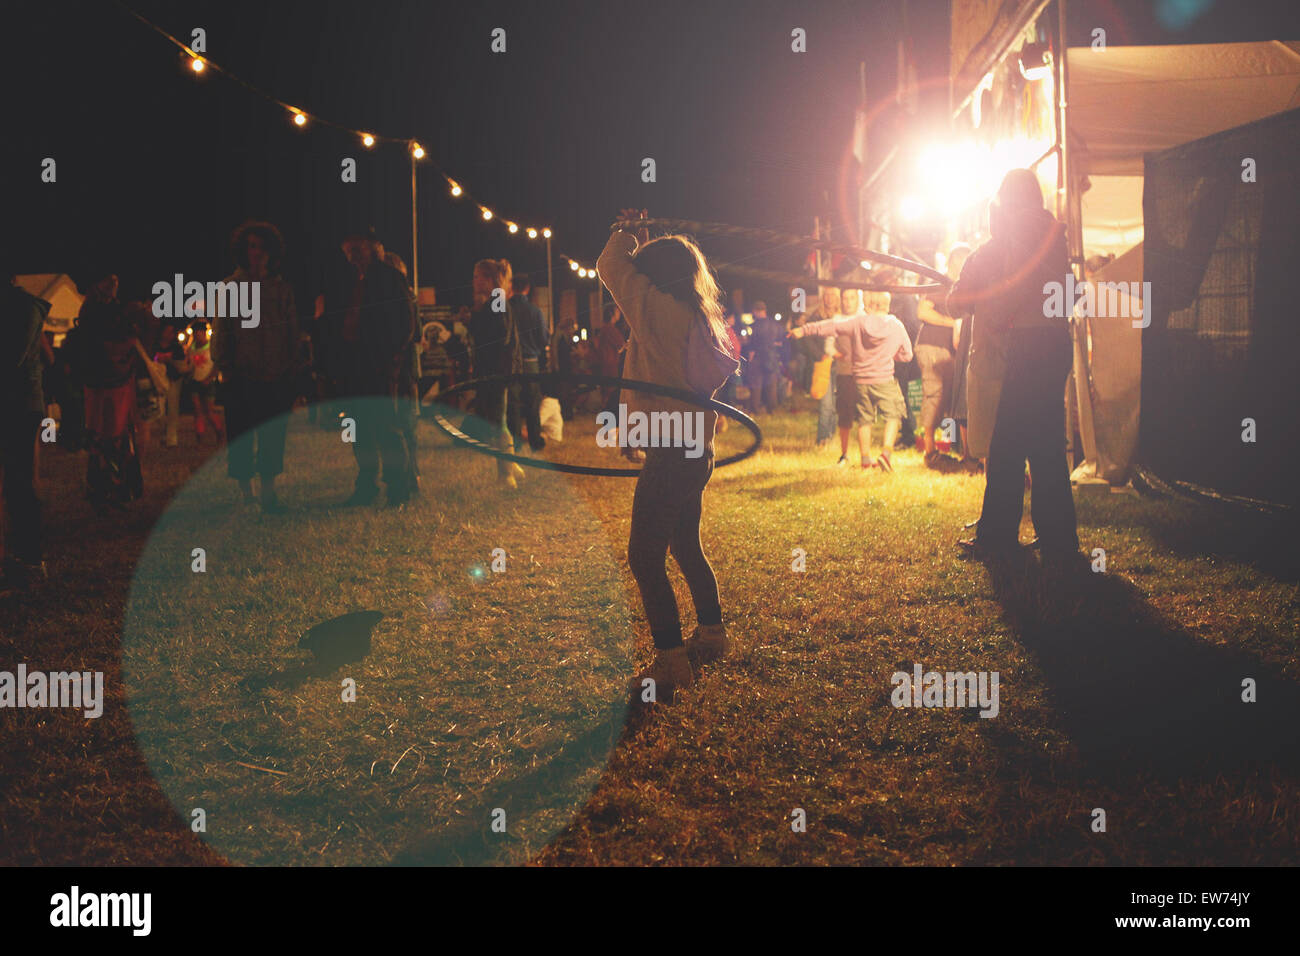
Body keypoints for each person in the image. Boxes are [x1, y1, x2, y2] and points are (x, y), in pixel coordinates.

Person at [596, 208, 738, 702]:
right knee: (684, 546)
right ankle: (713, 634)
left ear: (653, 279)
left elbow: (611, 267)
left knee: (644, 556)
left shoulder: (654, 310)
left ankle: (672, 661)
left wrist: (627, 232)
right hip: (696, 448)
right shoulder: (699, 316)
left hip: (670, 448)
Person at [947, 169, 1079, 560]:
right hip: (1055, 343)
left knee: (1007, 446)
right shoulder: (1053, 229)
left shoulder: (1023, 227)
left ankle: (997, 540)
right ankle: (1059, 542)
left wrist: (992, 310)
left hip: (1030, 345)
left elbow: (1019, 279)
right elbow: (1066, 294)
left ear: (1009, 200)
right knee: (1046, 445)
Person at [317, 226, 415, 507]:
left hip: (380, 366)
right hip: (354, 366)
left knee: (386, 427)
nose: (352, 257)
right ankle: (367, 483)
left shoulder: (389, 279)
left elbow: (404, 325)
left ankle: (397, 486)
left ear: (373, 247)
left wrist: (391, 359)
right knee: (359, 428)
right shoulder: (349, 280)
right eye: (348, 252)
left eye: (356, 250)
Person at [213, 220, 300, 512]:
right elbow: (221, 330)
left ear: (271, 251)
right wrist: (224, 365)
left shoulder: (281, 288)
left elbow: (291, 330)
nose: (257, 252)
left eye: (262, 247)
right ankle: (246, 491)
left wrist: (292, 365)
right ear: (243, 250)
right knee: (241, 434)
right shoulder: (229, 287)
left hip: (276, 374)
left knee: (272, 435)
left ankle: (268, 491)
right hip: (241, 375)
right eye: (252, 246)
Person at [793, 290, 912, 471]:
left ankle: (865, 459)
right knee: (894, 414)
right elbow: (907, 355)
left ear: (867, 304)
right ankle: (886, 454)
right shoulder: (896, 325)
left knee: (865, 419)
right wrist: (891, 354)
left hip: (861, 380)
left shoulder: (858, 322)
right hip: (884, 379)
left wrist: (804, 329)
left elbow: (832, 326)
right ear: (887, 305)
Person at [67, 270, 144, 511]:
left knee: (115, 434)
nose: (113, 285)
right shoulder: (93, 310)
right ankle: (106, 487)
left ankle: (116, 486)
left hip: (115, 381)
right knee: (103, 434)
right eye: (108, 281)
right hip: (102, 382)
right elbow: (92, 344)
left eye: (116, 281)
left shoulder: (114, 310)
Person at [0, 270, 51, 591]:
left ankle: (28, 555)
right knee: (19, 481)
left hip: (17, 403)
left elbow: (12, 356)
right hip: (19, 400)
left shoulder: (23, 307)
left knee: (19, 481)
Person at [466, 259, 526, 489]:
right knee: (495, 420)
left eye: (479, 276)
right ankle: (511, 466)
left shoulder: (498, 300)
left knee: (498, 420)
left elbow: (502, 335)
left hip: (496, 371)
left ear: (490, 279)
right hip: (490, 369)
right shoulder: (491, 302)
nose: (475, 281)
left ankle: (506, 474)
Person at [915, 245, 971, 466]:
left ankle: (946, 446)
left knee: (948, 400)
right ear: (958, 262)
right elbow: (923, 311)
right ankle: (929, 450)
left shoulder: (957, 287)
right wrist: (953, 323)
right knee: (935, 396)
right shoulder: (941, 284)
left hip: (949, 349)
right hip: (932, 346)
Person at [510, 272, 548, 451]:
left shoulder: (505, 309)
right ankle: (534, 439)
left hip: (510, 363)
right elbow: (543, 338)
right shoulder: (535, 311)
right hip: (531, 360)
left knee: (514, 403)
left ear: (512, 287)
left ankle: (515, 440)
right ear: (528, 288)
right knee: (533, 401)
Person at [803, 285, 842, 446]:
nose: (829, 298)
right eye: (827, 295)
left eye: (832, 294)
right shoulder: (816, 316)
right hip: (823, 364)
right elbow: (807, 338)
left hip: (840, 364)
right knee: (826, 403)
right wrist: (820, 355)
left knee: (835, 403)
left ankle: (831, 436)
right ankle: (822, 439)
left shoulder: (844, 317)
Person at [183, 320, 224, 445]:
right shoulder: (191, 348)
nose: (197, 335)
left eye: (199, 332)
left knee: (209, 410)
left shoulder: (211, 347)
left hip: (208, 382)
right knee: (197, 410)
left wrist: (209, 378)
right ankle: (199, 437)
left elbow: (217, 365)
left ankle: (219, 432)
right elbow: (189, 365)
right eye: (195, 333)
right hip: (195, 381)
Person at [743, 300, 782, 414]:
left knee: (756, 384)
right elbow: (780, 339)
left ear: (756, 311)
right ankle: (772, 409)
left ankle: (755, 409)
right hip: (772, 357)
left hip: (758, 357)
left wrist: (751, 354)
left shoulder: (755, 325)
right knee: (771, 384)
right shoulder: (775, 324)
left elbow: (754, 342)